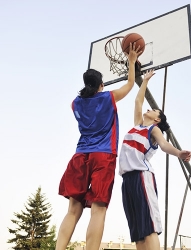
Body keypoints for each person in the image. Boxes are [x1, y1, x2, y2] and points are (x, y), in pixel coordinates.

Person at [55, 43, 142, 250]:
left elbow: (82, 99)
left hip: (79, 156)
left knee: (73, 210)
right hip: (103, 156)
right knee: (98, 209)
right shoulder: (108, 97)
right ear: (101, 85)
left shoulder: (75, 103)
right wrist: (131, 61)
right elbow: (130, 84)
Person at [119, 70, 191, 250]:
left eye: (154, 110)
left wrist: (178, 153)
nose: (149, 109)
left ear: (157, 119)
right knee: (138, 232)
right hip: (127, 180)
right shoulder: (137, 126)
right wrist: (144, 81)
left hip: (142, 177)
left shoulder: (153, 130)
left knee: (149, 228)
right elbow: (138, 101)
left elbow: (165, 144)